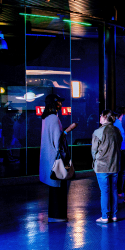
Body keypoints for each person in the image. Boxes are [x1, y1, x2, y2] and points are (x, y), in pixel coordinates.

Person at [39, 94, 76, 222]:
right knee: (59, 185)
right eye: (59, 102)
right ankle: (58, 216)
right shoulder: (54, 118)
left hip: (48, 158)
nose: (61, 104)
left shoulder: (45, 118)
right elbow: (58, 140)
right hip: (55, 159)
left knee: (53, 187)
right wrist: (68, 130)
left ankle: (53, 216)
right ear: (54, 103)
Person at [92, 109, 123, 223]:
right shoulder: (117, 131)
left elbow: (94, 150)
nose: (99, 117)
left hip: (102, 166)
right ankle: (114, 215)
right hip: (114, 164)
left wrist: (95, 160)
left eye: (101, 115)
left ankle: (105, 216)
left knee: (104, 191)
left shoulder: (98, 132)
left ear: (105, 117)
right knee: (114, 190)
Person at [114, 106, 125, 196]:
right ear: (122, 113)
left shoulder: (120, 123)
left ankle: (119, 190)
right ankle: (119, 190)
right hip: (120, 149)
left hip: (122, 148)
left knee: (121, 170)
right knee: (121, 170)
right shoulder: (118, 123)